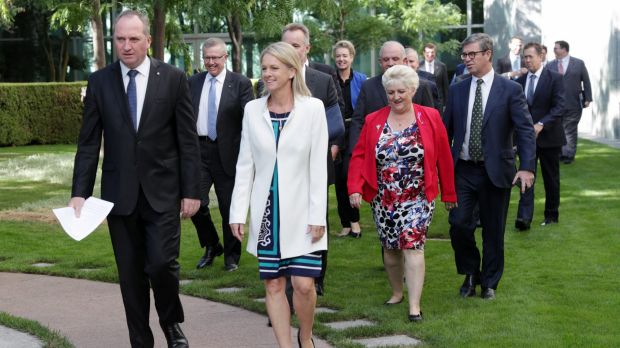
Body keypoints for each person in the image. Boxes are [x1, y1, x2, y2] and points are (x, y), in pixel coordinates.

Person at [69, 10, 200, 348]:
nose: (126, 46)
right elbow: (88, 143)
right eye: (120, 39)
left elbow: (187, 140)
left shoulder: (172, 78)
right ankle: (140, 340)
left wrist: (192, 191)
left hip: (163, 192)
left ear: (148, 40)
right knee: (130, 277)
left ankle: (171, 323)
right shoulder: (100, 81)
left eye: (133, 39)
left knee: (161, 265)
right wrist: (79, 193)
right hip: (119, 195)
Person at [229, 41, 328, 348]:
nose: (267, 74)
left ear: (291, 71)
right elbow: (245, 165)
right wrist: (237, 212)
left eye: (274, 68)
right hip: (267, 212)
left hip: (302, 212)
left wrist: (317, 215)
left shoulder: (313, 109)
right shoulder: (252, 110)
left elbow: (318, 167)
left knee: (303, 284)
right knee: (273, 284)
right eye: (264, 68)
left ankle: (306, 336)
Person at [348, 65, 456, 322]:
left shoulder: (429, 116)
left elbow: (443, 156)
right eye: (391, 92)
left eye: (401, 92)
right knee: (391, 249)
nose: (396, 97)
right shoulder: (374, 120)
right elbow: (360, 155)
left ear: (413, 91)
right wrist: (354, 187)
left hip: (418, 195)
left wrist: (449, 194)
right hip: (384, 197)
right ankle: (397, 292)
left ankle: (414, 306)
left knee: (413, 245)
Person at [444, 33, 536, 300]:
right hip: (463, 170)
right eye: (464, 55)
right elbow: (446, 131)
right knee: (459, 224)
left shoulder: (511, 90)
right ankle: (470, 272)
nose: (467, 59)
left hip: (496, 170)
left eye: (472, 54)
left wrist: (527, 167)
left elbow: (525, 131)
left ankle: (489, 282)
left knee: (494, 230)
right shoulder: (458, 89)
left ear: (488, 54)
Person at [280, 22, 343, 296]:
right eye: (285, 44)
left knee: (317, 219)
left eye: (295, 45)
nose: (289, 50)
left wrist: (323, 145)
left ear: (307, 48)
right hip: (283, 167)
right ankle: (285, 275)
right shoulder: (273, 77)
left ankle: (317, 277)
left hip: (316, 163)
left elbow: (336, 123)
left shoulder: (323, 79)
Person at [188, 38, 254, 272]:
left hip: (229, 153)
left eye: (216, 57)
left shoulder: (240, 83)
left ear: (225, 57)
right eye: (207, 57)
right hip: (199, 151)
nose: (211, 62)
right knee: (194, 203)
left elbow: (251, 119)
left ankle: (231, 256)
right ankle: (212, 244)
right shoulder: (193, 83)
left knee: (229, 207)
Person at [515, 42, 566, 230]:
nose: (527, 60)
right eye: (525, 57)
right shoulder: (519, 82)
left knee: (551, 178)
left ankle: (551, 215)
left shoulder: (555, 78)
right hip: (526, 139)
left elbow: (559, 107)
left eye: (530, 56)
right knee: (526, 175)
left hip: (549, 138)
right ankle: (524, 218)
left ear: (541, 56)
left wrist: (541, 124)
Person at [349, 41, 434, 153]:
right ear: (380, 62)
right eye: (386, 59)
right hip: (375, 156)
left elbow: (430, 123)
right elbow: (358, 121)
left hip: (415, 155)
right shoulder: (368, 86)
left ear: (404, 61)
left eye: (395, 59)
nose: (390, 63)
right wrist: (356, 153)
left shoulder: (421, 86)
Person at [332, 40, 367, 238]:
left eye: (345, 55)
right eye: (338, 56)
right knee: (337, 179)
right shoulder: (330, 78)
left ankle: (355, 223)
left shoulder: (362, 79)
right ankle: (345, 224)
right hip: (336, 131)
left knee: (348, 176)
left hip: (354, 131)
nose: (341, 59)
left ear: (352, 57)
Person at [547, 40, 593, 164]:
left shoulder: (578, 63)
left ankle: (568, 155)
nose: (554, 50)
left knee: (570, 129)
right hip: (555, 103)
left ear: (564, 49)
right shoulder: (549, 65)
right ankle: (559, 153)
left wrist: (588, 98)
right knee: (558, 129)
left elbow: (586, 81)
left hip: (573, 103)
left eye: (556, 48)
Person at [404, 47, 442, 112]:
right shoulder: (394, 83)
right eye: (405, 62)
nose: (408, 65)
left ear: (418, 63)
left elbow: (436, 111)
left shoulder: (429, 83)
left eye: (411, 61)